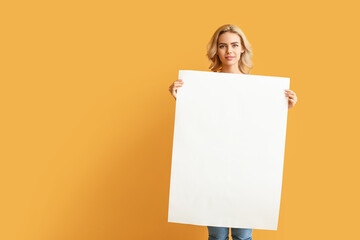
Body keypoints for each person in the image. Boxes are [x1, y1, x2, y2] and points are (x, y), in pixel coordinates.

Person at [168, 24, 298, 240]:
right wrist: (182, 98)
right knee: (217, 237)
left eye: (234, 45)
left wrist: (283, 108)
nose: (229, 51)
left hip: (247, 172)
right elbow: (199, 123)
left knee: (243, 237)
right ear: (216, 51)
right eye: (223, 46)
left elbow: (262, 130)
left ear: (243, 49)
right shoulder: (204, 86)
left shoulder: (260, 89)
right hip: (213, 170)